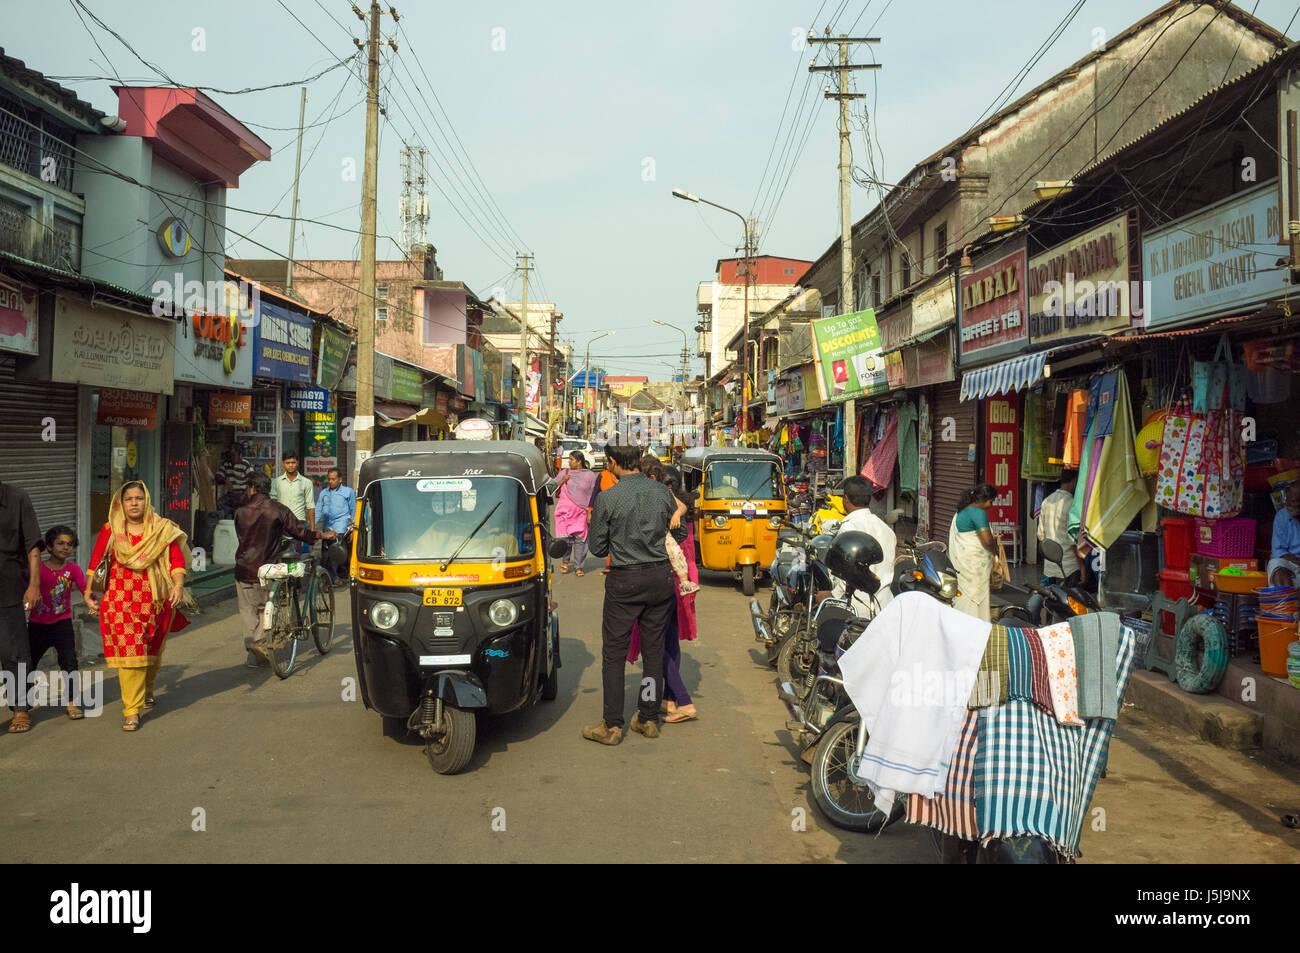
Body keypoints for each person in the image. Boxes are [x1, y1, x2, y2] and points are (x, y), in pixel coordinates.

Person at [582, 443, 683, 745]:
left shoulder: (608, 497)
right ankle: (648, 718)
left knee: (614, 654)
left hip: (625, 581)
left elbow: (598, 548)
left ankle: (612, 725)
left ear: (613, 463)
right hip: (659, 579)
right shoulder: (662, 492)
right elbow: (678, 532)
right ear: (638, 461)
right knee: (653, 652)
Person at [85, 482, 190, 731]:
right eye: (129, 498)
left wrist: (178, 586)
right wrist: (89, 592)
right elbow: (96, 561)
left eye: (139, 498)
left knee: (151, 650)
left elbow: (176, 561)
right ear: (121, 503)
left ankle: (147, 690)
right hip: (119, 601)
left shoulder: (162, 529)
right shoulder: (111, 530)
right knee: (131, 653)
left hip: (155, 600)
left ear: (147, 500)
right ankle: (131, 710)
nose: (134, 503)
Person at [235, 472, 330, 667]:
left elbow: (242, 538)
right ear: (268, 489)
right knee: (265, 607)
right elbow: (299, 531)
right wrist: (320, 534)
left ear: (251, 488)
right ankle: (261, 646)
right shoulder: (278, 509)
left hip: (244, 569)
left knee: (248, 611)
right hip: (269, 569)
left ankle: (254, 650)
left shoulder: (241, 511)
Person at [26, 526, 87, 720]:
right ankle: (22, 705)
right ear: (49, 547)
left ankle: (72, 701)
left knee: (69, 662)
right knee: (27, 664)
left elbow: (86, 589)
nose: (66, 547)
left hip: (62, 624)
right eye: (60, 543)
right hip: (37, 625)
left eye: (69, 544)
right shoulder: (38, 569)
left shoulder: (73, 569)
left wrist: (92, 600)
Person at [0, 480, 41, 733]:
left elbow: (33, 546)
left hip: (9, 588)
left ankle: (20, 708)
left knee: (14, 652)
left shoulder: (17, 498)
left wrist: (34, 585)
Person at [832, 476, 897, 614]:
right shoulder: (886, 529)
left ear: (846, 499)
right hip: (885, 604)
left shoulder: (849, 528)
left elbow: (846, 572)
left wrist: (833, 595)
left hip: (858, 606)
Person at [948, 483, 1000, 622]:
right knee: (975, 598)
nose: (991, 505)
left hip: (963, 566)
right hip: (974, 567)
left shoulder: (961, 512)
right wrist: (996, 551)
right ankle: (976, 631)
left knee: (965, 597)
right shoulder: (978, 512)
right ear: (983, 499)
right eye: (991, 501)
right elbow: (987, 541)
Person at [554, 451, 598, 576]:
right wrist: (563, 480)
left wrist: (590, 511)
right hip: (564, 512)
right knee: (565, 540)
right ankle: (565, 560)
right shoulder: (564, 473)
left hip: (581, 513)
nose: (569, 461)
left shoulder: (589, 475)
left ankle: (579, 567)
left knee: (580, 541)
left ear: (579, 461)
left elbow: (593, 494)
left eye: (572, 459)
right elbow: (551, 487)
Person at [316, 468, 357, 586]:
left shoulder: (348, 492)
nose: (330, 481)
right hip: (327, 528)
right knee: (325, 555)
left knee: (336, 554)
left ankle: (333, 579)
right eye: (329, 479)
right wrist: (312, 526)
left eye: (333, 479)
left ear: (340, 480)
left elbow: (354, 510)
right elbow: (318, 509)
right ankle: (331, 578)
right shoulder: (324, 493)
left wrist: (354, 528)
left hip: (340, 528)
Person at [1038, 471, 1080, 580]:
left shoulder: (1046, 501)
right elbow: (1073, 541)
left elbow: (1041, 535)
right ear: (1075, 480)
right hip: (1069, 567)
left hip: (1050, 567)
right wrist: (1083, 567)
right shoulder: (1072, 504)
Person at [271, 452, 315, 551]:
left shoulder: (306, 483)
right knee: (281, 554)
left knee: (297, 554)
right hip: (281, 524)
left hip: (299, 523)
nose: (291, 465)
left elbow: (310, 507)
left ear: (297, 463)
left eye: (293, 462)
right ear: (283, 463)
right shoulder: (276, 482)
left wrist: (312, 531)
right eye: (288, 462)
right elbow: (273, 504)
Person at [1268, 483, 1300, 588]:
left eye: (1294, 501)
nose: (1288, 504)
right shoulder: (1282, 516)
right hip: (1290, 562)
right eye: (1287, 499)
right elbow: (1279, 552)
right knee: (1276, 565)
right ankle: (1287, 603)